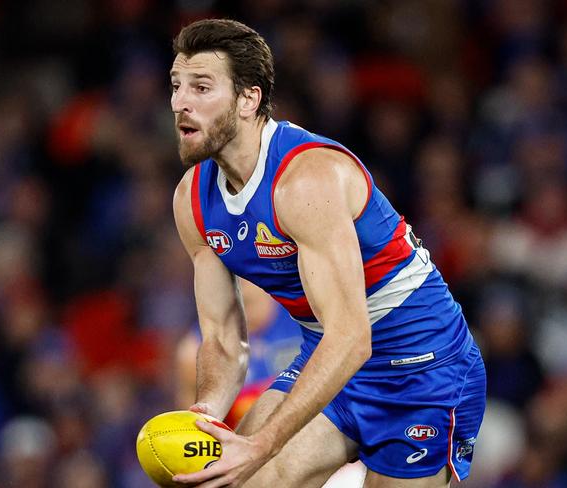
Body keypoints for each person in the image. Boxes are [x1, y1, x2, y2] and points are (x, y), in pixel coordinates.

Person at [169, 18, 486, 488]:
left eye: (201, 87)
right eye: (176, 86)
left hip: (423, 367)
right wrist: (209, 412)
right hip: (331, 356)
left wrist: (262, 443)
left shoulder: (305, 179)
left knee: (256, 455)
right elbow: (219, 334)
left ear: (248, 99)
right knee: (233, 479)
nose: (180, 104)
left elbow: (353, 336)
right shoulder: (191, 200)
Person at [175, 277, 302, 428]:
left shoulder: (304, 317)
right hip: (240, 440)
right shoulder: (194, 351)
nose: (239, 277)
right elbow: (194, 428)